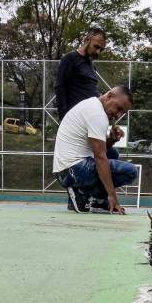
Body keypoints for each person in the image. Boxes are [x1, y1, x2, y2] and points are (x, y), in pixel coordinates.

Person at [53, 86, 137, 215]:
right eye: (118, 108)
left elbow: (99, 151)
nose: (118, 114)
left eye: (122, 113)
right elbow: (100, 158)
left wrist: (112, 140)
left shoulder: (92, 105)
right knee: (131, 171)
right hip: (72, 170)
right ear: (109, 96)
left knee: (112, 153)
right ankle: (88, 194)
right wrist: (112, 196)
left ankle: (87, 197)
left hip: (66, 169)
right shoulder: (97, 114)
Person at [55, 27, 107, 120]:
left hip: (89, 118)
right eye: (96, 47)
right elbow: (60, 87)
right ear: (87, 40)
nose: (98, 52)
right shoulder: (70, 58)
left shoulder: (92, 65)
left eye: (101, 49)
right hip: (74, 119)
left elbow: (87, 90)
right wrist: (64, 118)